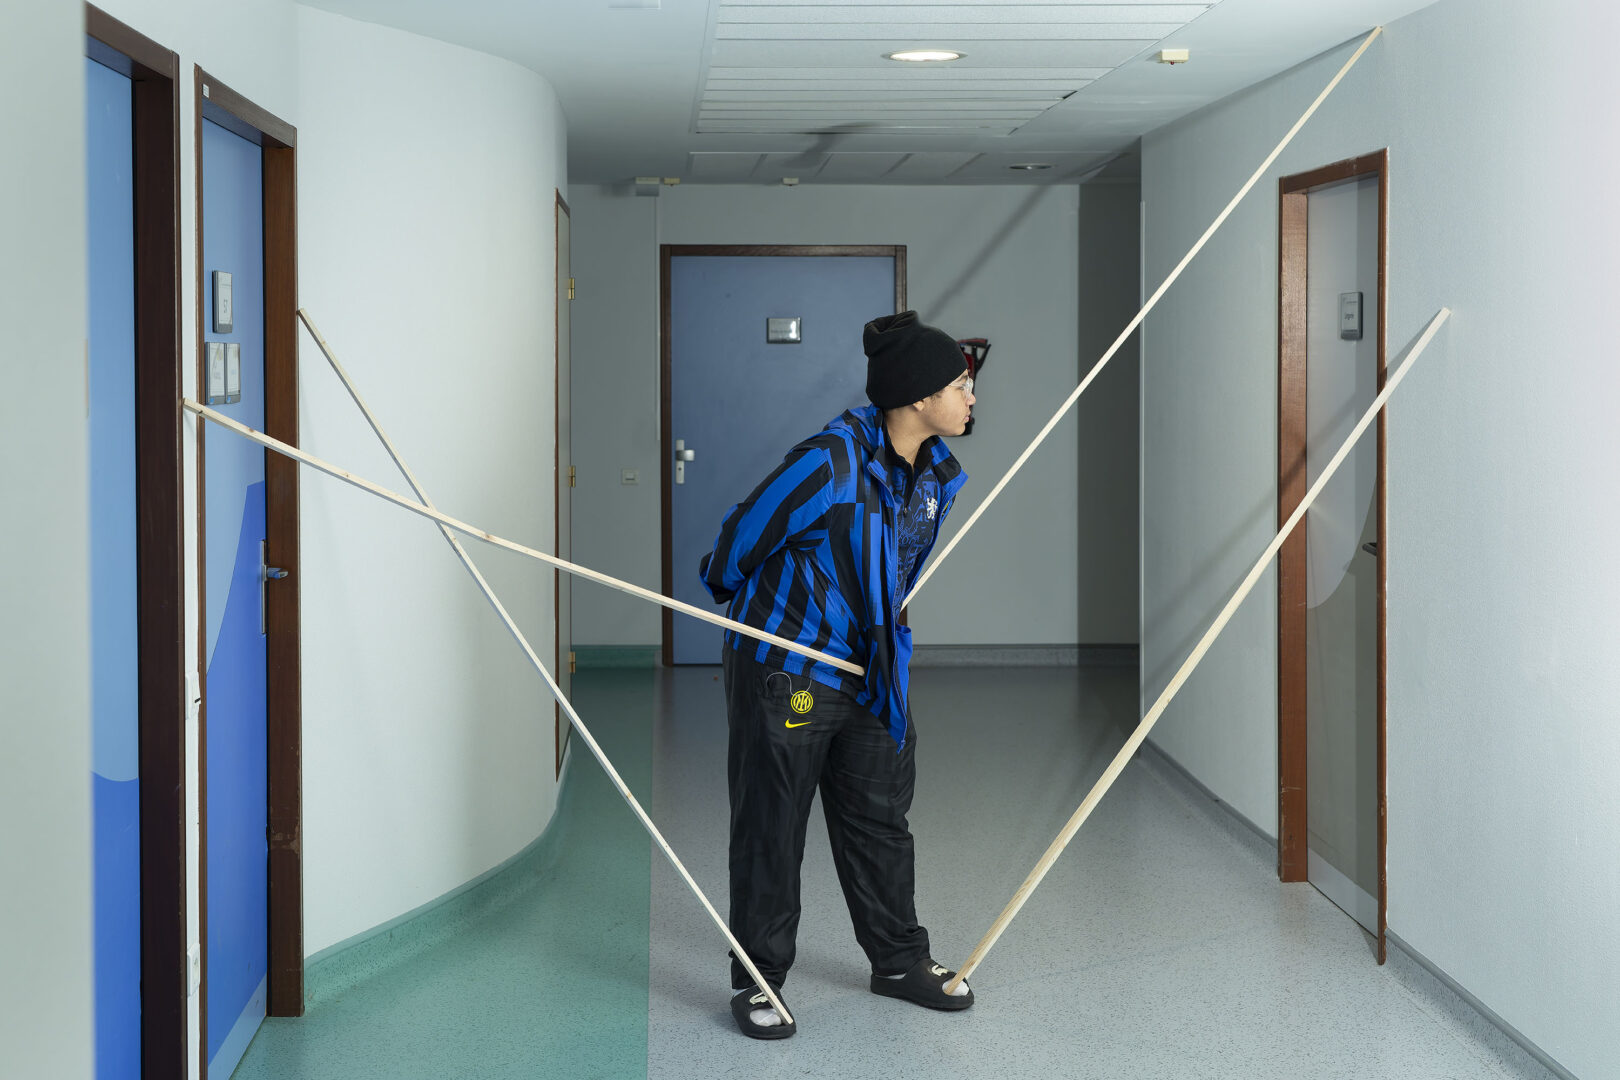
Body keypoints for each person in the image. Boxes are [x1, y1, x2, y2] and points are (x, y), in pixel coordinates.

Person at [698, 310, 978, 1040]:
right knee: (773, 826)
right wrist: (754, 606)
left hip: (870, 669)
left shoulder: (934, 476)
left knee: (881, 821)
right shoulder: (829, 461)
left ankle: (897, 963)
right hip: (788, 665)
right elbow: (737, 543)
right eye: (959, 385)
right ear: (917, 398)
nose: (970, 397)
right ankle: (759, 978)